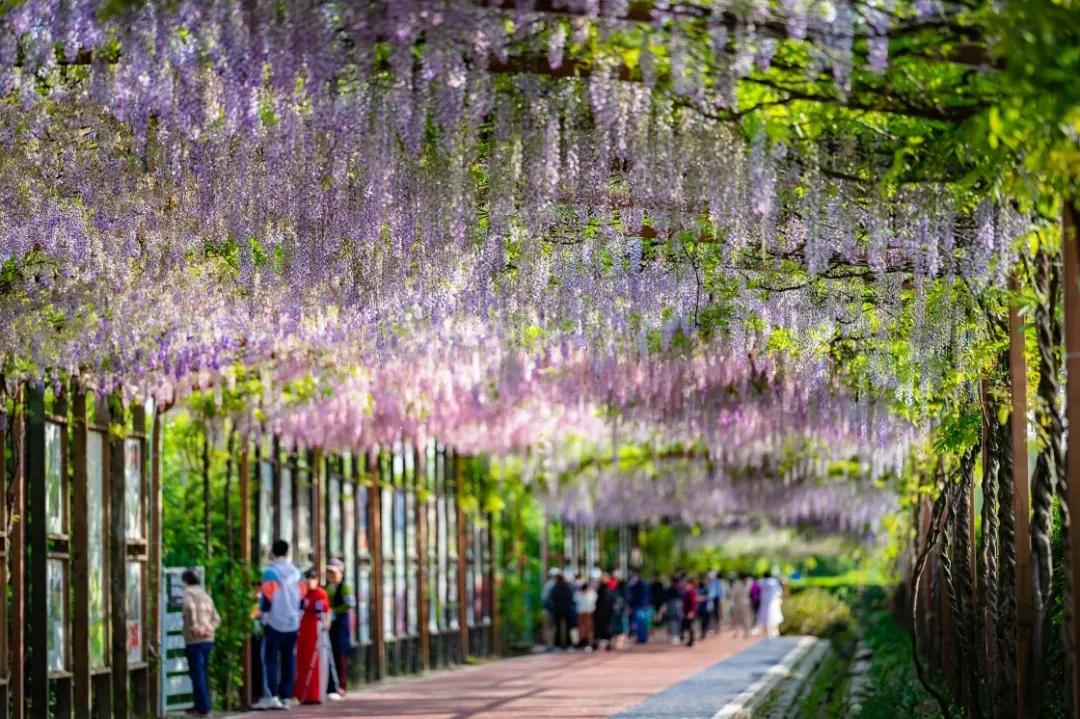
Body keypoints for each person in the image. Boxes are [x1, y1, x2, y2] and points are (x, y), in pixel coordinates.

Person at [254, 539, 302, 711]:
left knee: (269, 658)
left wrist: (264, 618)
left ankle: (272, 695)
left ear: (272, 553)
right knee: (289, 658)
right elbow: (302, 597)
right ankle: (286, 695)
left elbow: (267, 597)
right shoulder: (297, 573)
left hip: (274, 621)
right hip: (293, 621)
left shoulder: (270, 573)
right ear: (287, 552)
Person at [180, 569, 221, 718]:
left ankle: (203, 707)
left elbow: (189, 608)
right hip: (208, 638)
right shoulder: (206, 595)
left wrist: (195, 626)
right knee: (202, 672)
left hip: (194, 639)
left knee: (196, 673)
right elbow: (217, 617)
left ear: (185, 581)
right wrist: (209, 628)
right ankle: (201, 704)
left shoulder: (187, 594)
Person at [295, 568, 330, 705]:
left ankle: (316, 694)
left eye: (312, 579)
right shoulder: (303, 594)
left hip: (316, 630)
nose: (310, 582)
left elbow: (325, 612)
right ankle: (302, 693)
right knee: (302, 661)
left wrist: (326, 624)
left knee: (316, 663)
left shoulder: (321, 593)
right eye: (307, 579)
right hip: (303, 630)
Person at [324, 558, 355, 701]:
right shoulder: (326, 588)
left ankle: (341, 685)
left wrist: (333, 612)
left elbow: (349, 605)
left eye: (334, 572)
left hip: (341, 627)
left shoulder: (345, 587)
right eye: (329, 572)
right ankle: (330, 686)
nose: (331, 575)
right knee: (329, 655)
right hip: (327, 627)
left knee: (340, 656)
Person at [625, 568, 650, 644]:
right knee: (639, 622)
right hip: (639, 606)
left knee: (641, 622)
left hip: (640, 606)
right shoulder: (636, 583)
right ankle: (641, 637)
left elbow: (642, 596)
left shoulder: (640, 584)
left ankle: (642, 637)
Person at [550, 571, 574, 650]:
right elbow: (570, 598)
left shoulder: (555, 587)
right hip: (566, 609)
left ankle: (558, 644)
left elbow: (552, 598)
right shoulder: (567, 587)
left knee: (558, 627)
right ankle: (568, 643)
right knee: (567, 627)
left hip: (557, 610)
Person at [574, 573, 598, 650]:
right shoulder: (589, 593)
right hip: (584, 612)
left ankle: (588, 641)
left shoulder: (590, 593)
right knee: (584, 626)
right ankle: (583, 640)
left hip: (587, 612)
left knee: (588, 626)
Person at [758, 572, 784, 638]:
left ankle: (768, 632)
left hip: (765, 602)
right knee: (774, 617)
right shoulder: (773, 582)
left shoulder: (761, 582)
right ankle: (774, 632)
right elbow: (778, 592)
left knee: (766, 617)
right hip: (773, 602)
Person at [540, 567, 559, 649]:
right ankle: (549, 645)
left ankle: (549, 644)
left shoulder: (548, 584)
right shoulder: (552, 584)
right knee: (551, 627)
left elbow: (543, 597)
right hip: (550, 609)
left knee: (549, 627)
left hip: (548, 608)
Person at [732, 573, 754, 637]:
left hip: (741, 603)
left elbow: (734, 595)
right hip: (744, 603)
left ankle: (741, 632)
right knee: (744, 618)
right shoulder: (748, 583)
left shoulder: (738, 584)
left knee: (740, 618)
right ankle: (744, 632)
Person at [680, 575, 698, 647]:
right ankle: (688, 640)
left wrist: (692, 612)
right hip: (686, 611)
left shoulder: (692, 592)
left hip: (690, 612)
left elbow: (693, 603)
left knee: (690, 627)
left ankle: (691, 640)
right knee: (686, 626)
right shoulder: (686, 592)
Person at [665, 576, 682, 645]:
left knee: (676, 622)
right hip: (672, 607)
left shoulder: (679, 590)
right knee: (672, 622)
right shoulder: (670, 590)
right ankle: (673, 636)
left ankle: (675, 636)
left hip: (676, 607)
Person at [696, 575, 710, 640]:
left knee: (705, 621)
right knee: (700, 621)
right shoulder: (698, 588)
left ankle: (704, 633)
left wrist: (702, 598)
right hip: (699, 607)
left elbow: (708, 597)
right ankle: (702, 633)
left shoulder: (706, 588)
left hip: (705, 608)